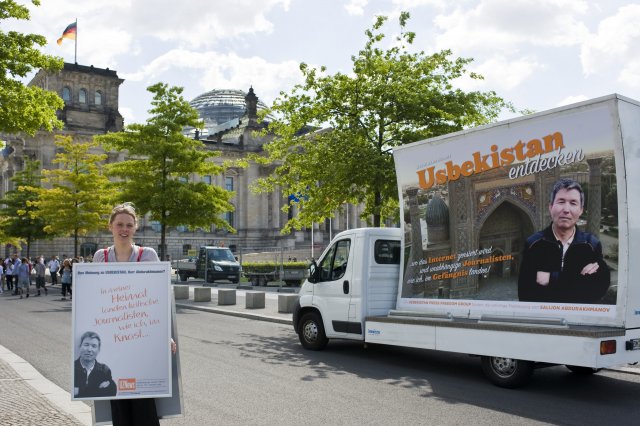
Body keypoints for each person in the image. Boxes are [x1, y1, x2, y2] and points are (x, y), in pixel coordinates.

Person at [92, 202, 177, 426]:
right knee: (118, 404)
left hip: (142, 338)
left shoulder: (147, 255)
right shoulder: (100, 257)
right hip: (112, 342)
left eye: (129, 225)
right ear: (110, 226)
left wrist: (165, 335)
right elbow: (94, 300)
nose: (124, 229)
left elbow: (159, 298)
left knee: (143, 404)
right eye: (119, 224)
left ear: (135, 228)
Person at [518, 178, 611, 303]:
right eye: (561, 202)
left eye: (573, 203)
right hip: (548, 319)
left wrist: (551, 279)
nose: (566, 210)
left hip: (578, 319)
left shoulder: (591, 244)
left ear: (581, 210)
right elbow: (526, 294)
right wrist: (579, 280)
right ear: (551, 207)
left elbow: (597, 290)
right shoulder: (534, 244)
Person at [74, 331, 117, 398]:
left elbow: (111, 393)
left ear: (98, 350)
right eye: (86, 345)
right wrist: (98, 390)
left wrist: (79, 391)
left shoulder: (104, 370)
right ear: (80, 347)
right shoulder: (73, 368)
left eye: (94, 346)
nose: (89, 349)